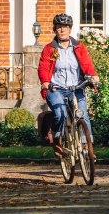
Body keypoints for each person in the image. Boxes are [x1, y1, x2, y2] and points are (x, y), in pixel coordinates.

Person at [37, 13, 99, 156]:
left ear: (70, 29)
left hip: (76, 88)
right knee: (60, 114)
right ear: (55, 29)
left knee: (82, 115)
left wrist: (92, 76)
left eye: (65, 27)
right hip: (56, 89)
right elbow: (43, 67)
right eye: (59, 27)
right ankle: (57, 139)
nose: (62, 30)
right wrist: (45, 82)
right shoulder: (49, 49)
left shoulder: (79, 46)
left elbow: (87, 63)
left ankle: (87, 147)